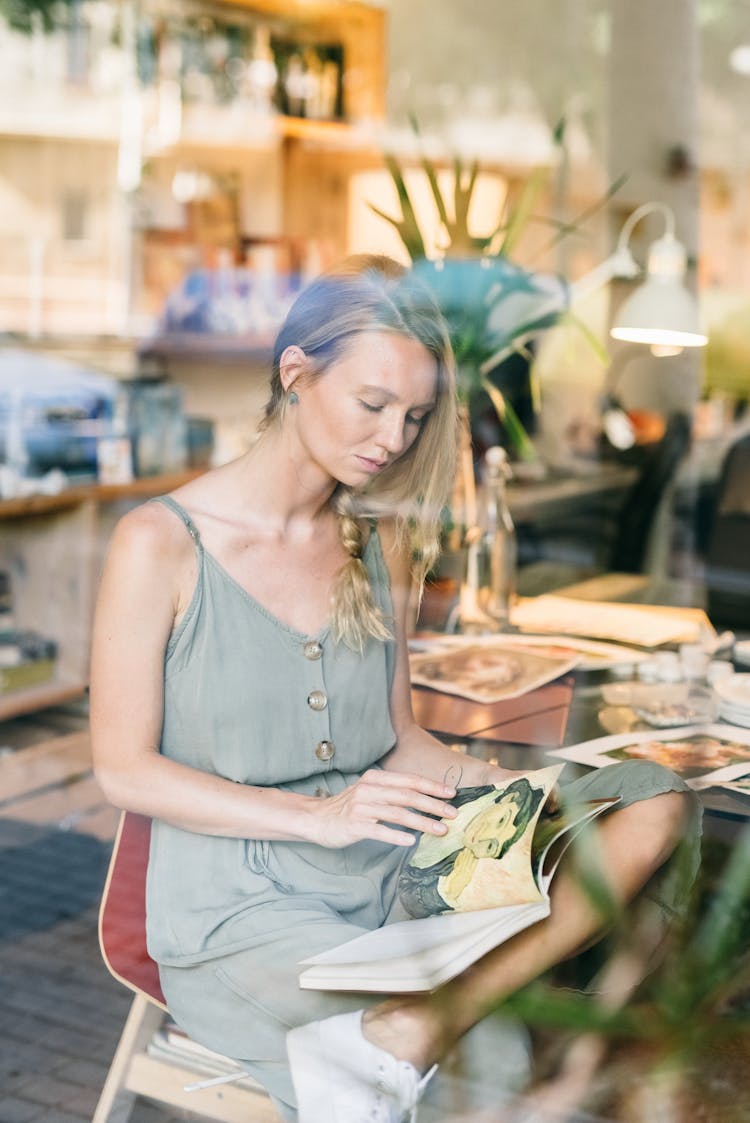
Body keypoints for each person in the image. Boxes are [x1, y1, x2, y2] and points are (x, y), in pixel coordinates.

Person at [90, 254, 699, 1123]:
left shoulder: (376, 543)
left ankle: (414, 1024)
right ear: (296, 374)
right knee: (485, 1052)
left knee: (653, 798)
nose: (393, 437)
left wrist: (516, 792)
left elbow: (399, 736)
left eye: (413, 416)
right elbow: (122, 770)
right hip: (239, 912)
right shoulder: (159, 543)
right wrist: (316, 816)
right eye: (373, 405)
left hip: (389, 868)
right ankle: (421, 1027)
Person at [398, 777, 546, 917]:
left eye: (490, 846)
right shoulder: (472, 791)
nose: (484, 836)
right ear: (509, 797)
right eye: (501, 821)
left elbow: (406, 897)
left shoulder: (456, 865)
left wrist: (443, 893)